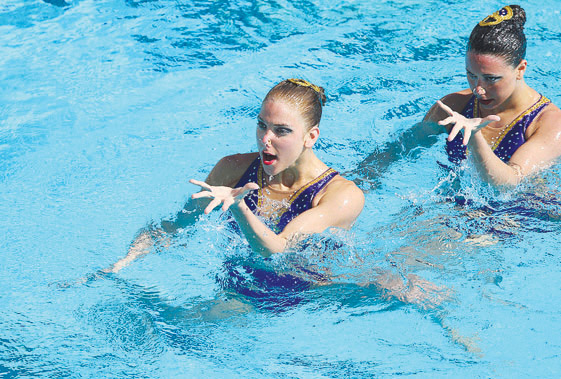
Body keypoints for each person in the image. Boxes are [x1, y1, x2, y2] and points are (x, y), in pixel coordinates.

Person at [104, 78, 364, 273]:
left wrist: (239, 207)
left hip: (303, 293)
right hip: (236, 278)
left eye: (281, 131)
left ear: (311, 136)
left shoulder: (342, 196)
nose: (265, 139)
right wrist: (121, 264)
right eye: (262, 125)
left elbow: (279, 250)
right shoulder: (233, 169)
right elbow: (171, 227)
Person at [424, 4, 561, 187]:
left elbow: (510, 184)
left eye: (491, 78)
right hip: (455, 208)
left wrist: (474, 137)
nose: (478, 89)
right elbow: (398, 151)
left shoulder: (548, 124)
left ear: (520, 69)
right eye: (472, 75)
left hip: (524, 211)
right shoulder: (453, 106)